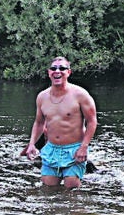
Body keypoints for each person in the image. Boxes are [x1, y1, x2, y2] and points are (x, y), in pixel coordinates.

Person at [21, 57, 98, 189]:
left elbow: (92, 121)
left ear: (69, 72)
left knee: (71, 189)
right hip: (51, 149)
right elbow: (39, 123)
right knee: (48, 188)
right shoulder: (42, 97)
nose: (57, 71)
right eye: (54, 68)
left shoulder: (81, 95)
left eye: (62, 68)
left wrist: (84, 147)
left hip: (74, 149)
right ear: (49, 72)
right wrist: (32, 144)